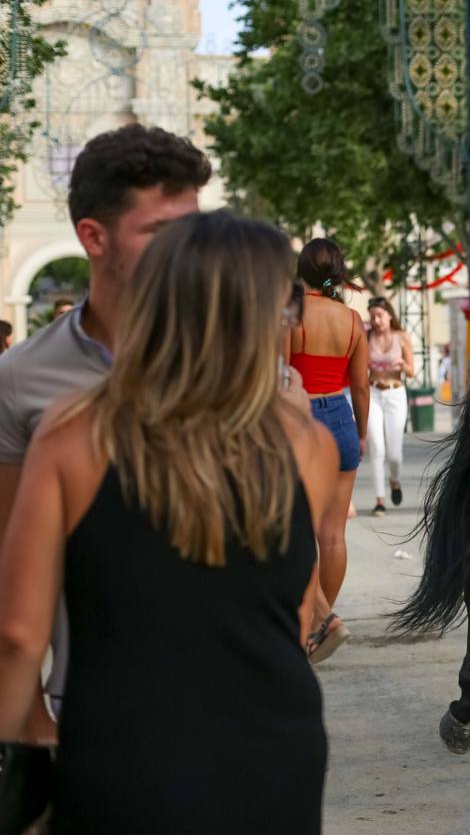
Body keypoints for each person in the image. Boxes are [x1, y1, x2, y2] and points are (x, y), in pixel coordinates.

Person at [0, 211, 333, 833]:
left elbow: (18, 634)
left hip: (122, 751)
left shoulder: (73, 435)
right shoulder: (305, 444)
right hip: (274, 747)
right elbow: (292, 615)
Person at [0, 123, 208, 748]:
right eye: (159, 233)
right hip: (94, 714)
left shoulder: (241, 367)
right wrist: (33, 728)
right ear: (94, 236)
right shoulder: (23, 378)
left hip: (244, 718)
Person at [288, 238, 369, 660]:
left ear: (300, 270)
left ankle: (315, 622)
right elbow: (361, 385)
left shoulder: (291, 314)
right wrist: (361, 433)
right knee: (333, 536)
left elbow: (278, 375)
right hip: (341, 418)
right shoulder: (352, 320)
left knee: (293, 531)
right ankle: (318, 626)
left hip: (300, 419)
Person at [366, 297, 413, 517]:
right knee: (376, 447)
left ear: (389, 315)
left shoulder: (401, 337)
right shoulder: (366, 337)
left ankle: (395, 479)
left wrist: (402, 364)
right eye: (372, 316)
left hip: (395, 393)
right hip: (373, 393)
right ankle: (380, 500)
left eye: (379, 315)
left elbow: (412, 371)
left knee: (395, 454)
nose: (376, 321)